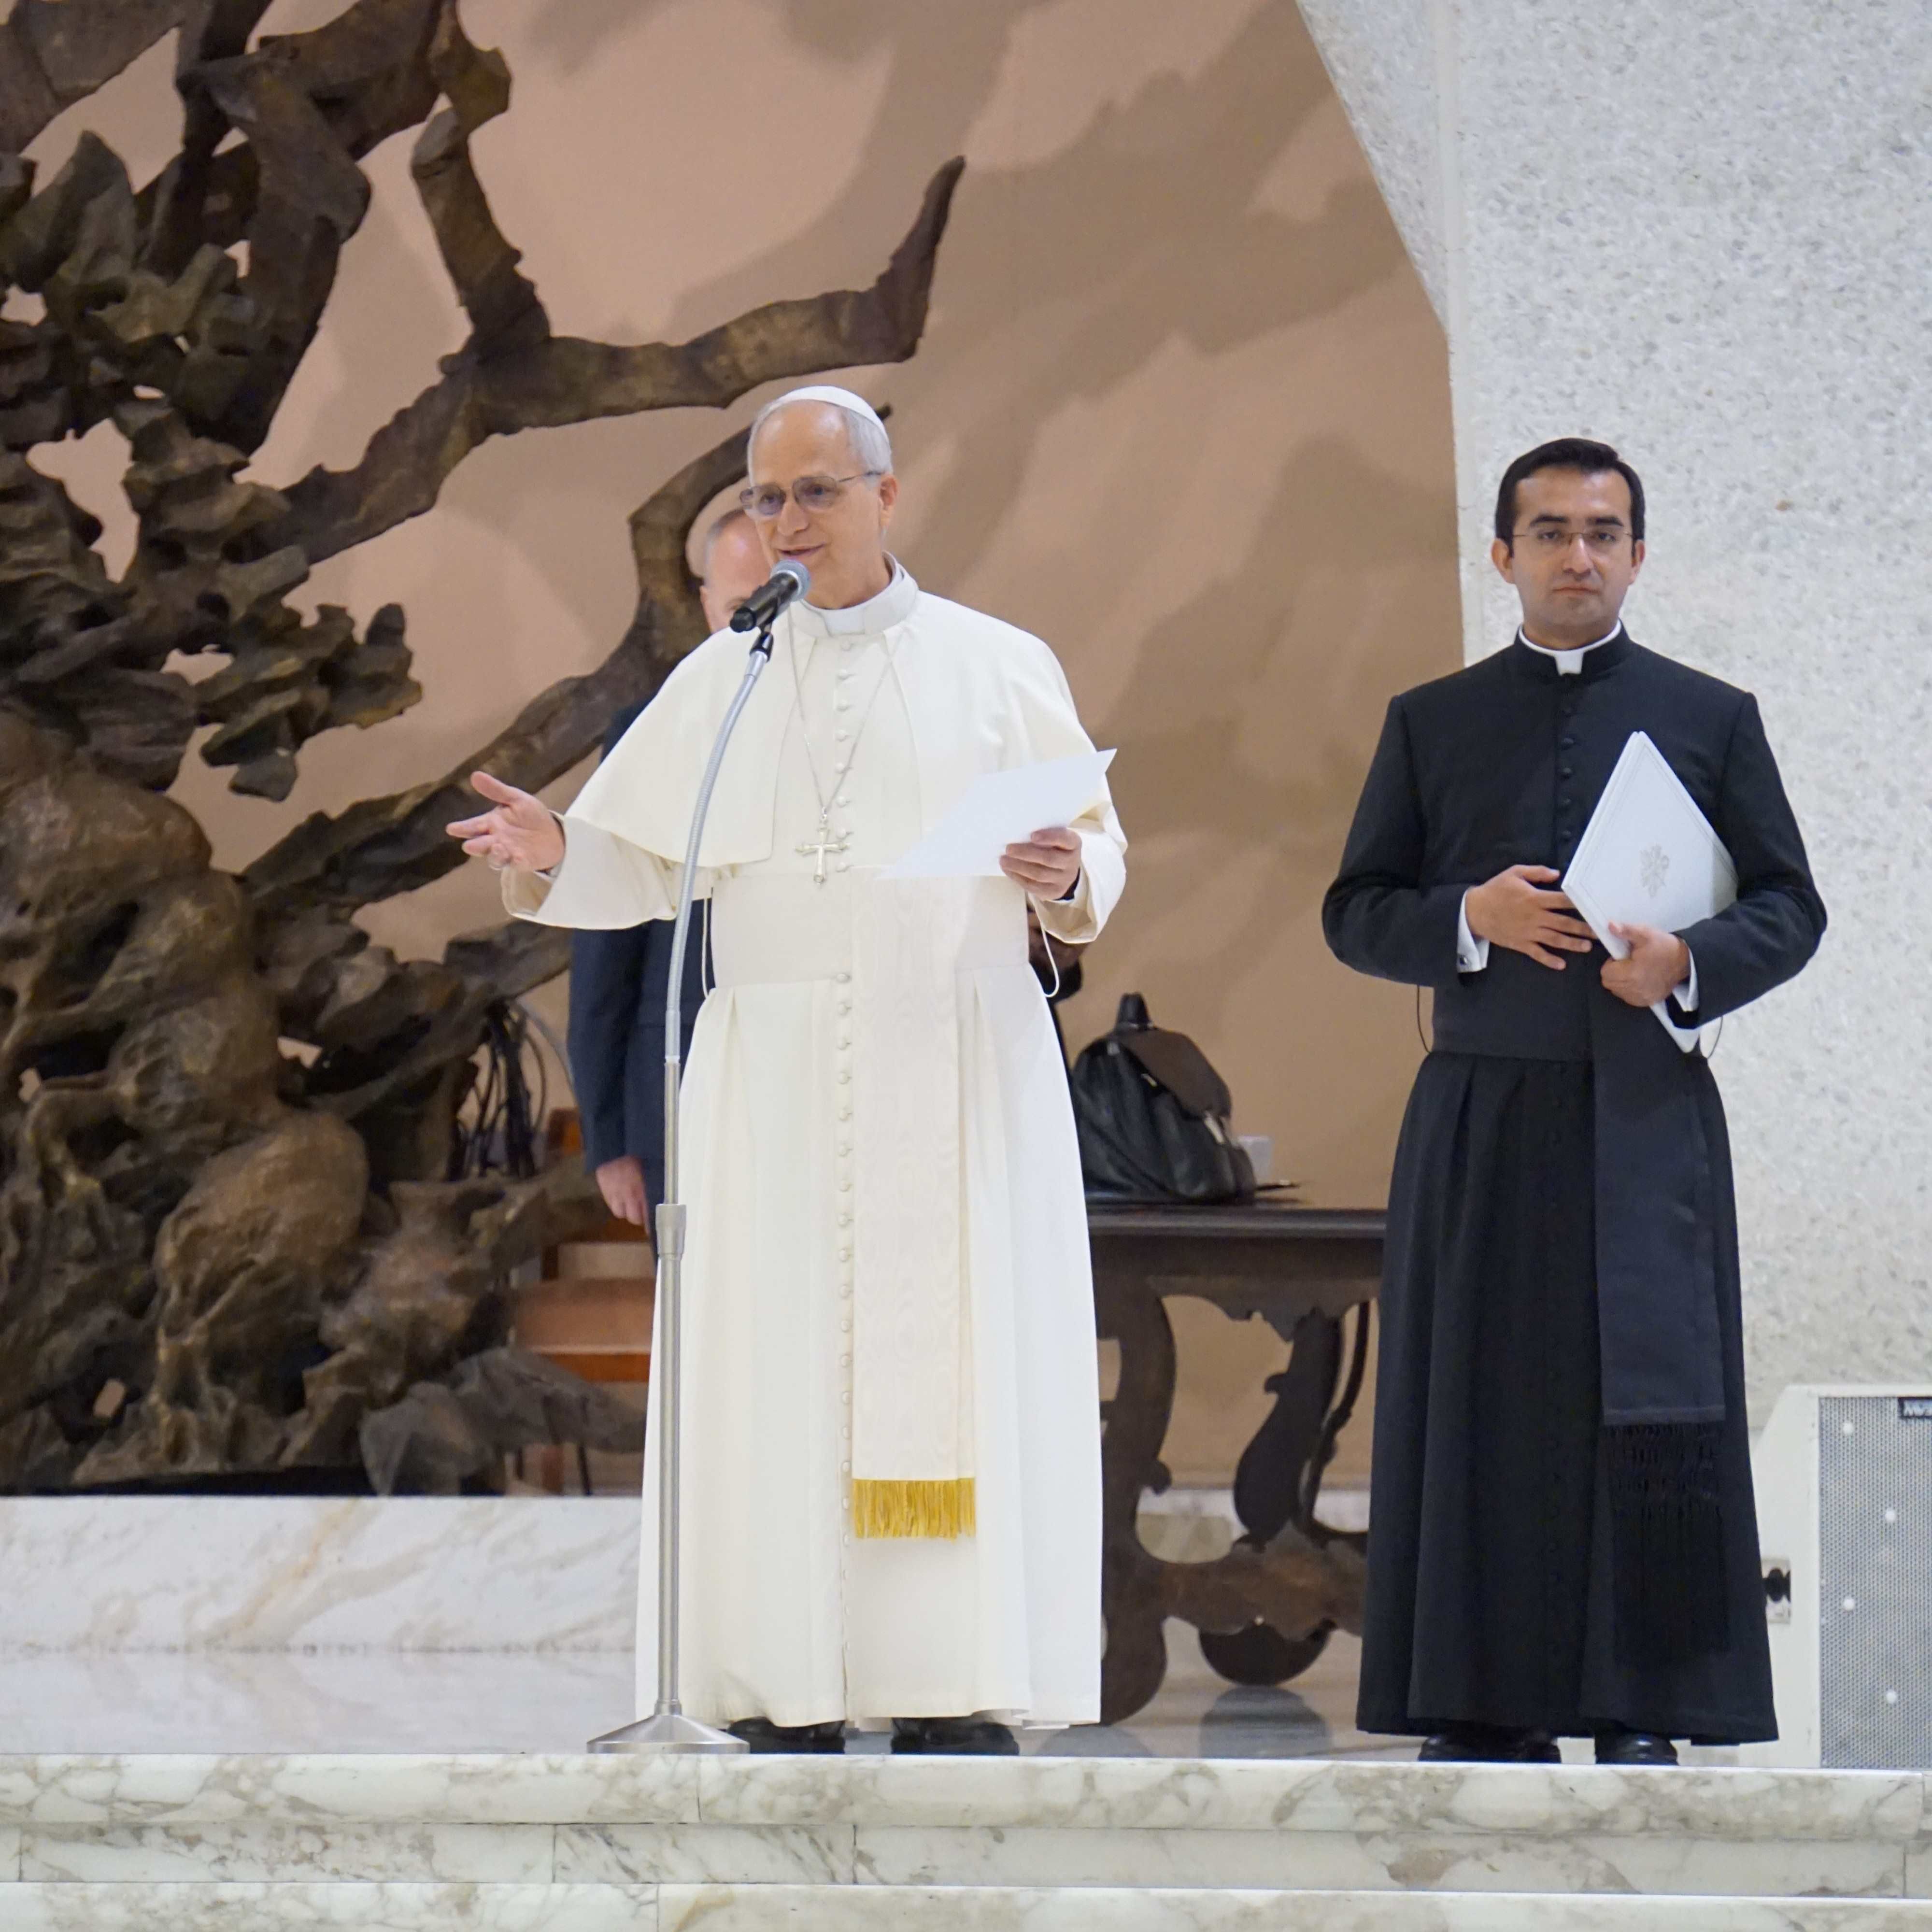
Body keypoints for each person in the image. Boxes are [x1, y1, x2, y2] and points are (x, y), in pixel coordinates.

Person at [449, 385, 1124, 1754]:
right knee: (774, 1374)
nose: (791, 521)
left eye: (818, 491)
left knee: (956, 1371)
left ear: (887, 496)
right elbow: (645, 860)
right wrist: (557, 850)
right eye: (769, 498)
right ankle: (777, 1683)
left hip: (950, 1062)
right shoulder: (723, 679)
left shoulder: (999, 663)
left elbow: (1094, 850)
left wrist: (1067, 872)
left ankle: (947, 1684)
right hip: (769, 1085)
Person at [1323, 437, 1825, 1767]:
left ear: (1637, 556)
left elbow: (1791, 907)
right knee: (1480, 1402)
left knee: (1643, 1407)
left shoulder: (1711, 716)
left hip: (1644, 1119)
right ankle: (1482, 1705)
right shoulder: (1430, 721)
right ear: (1502, 555)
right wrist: (1466, 918)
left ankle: (1642, 1705)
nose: (1576, 556)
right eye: (1548, 532)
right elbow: (1355, 912)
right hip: (1481, 1118)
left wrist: (1688, 964)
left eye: (1603, 532)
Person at [568, 509, 771, 1225]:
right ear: (709, 606)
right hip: (678, 1100)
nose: (769, 624)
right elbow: (606, 945)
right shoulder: (651, 730)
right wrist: (608, 1137)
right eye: (746, 605)